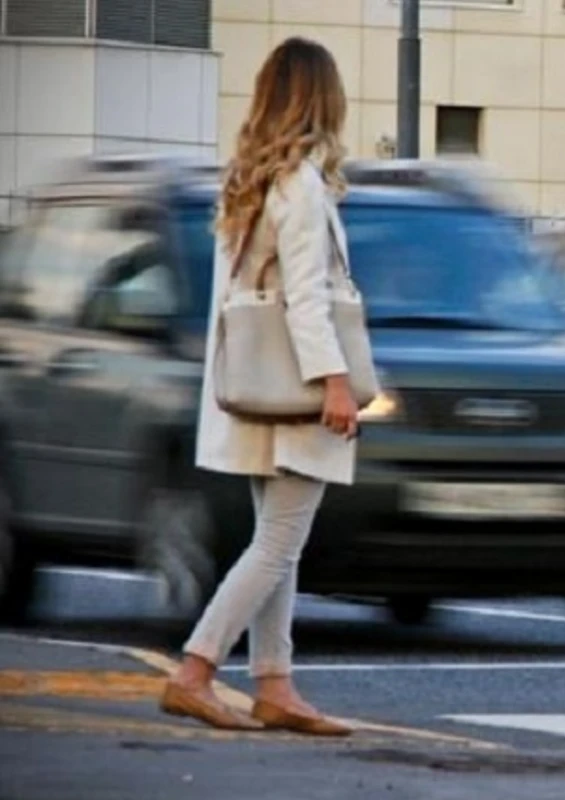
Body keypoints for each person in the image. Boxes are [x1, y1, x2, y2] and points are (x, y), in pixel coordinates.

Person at [159, 37, 360, 737]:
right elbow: (306, 299)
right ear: (322, 99)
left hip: (256, 385)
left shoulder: (250, 176)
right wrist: (336, 381)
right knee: (278, 540)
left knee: (277, 540)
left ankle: (275, 682)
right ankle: (196, 670)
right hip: (297, 387)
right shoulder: (300, 184)